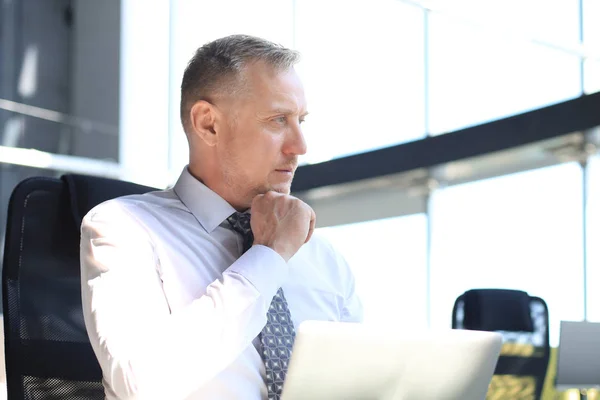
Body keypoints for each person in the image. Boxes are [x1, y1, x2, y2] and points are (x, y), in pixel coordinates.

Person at [80, 34, 363, 400]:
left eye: (301, 120)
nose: (300, 146)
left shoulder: (324, 260)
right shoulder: (122, 229)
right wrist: (269, 256)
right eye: (278, 120)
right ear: (208, 124)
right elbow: (144, 383)